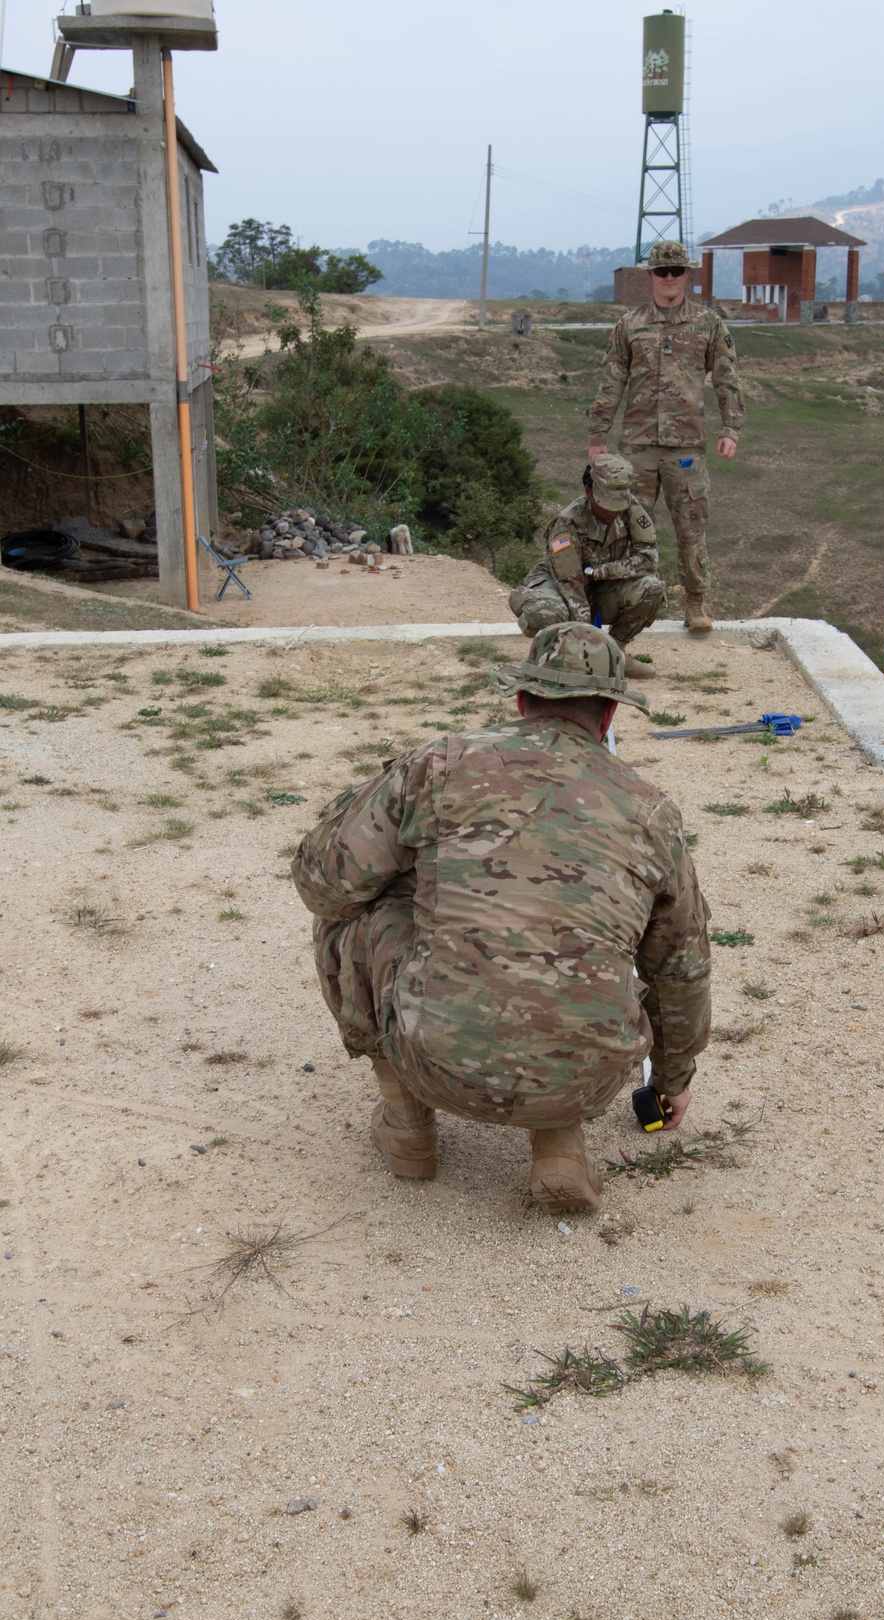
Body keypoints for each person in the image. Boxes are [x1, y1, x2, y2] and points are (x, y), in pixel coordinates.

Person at [290, 623, 711, 1217]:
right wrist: (671, 1081)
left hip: (435, 1065)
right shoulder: (652, 809)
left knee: (353, 914)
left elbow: (325, 883)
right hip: (589, 1084)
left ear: (520, 700)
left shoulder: (439, 765)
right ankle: (558, 1142)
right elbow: (681, 966)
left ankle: (407, 1121)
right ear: (610, 716)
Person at [586, 239, 745, 635]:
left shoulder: (709, 325)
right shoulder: (630, 325)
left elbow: (727, 379)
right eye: (662, 271)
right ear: (651, 275)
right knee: (628, 528)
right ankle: (627, 603)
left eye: (676, 271)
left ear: (687, 274)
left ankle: (695, 603)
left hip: (686, 450)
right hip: (637, 448)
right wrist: (597, 435)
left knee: (691, 527)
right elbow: (612, 382)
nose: (669, 278)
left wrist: (731, 428)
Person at [509, 452, 664, 680]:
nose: (613, 511)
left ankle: (615, 653)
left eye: (618, 503)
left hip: (600, 584)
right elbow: (571, 585)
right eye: (606, 503)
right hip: (561, 585)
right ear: (588, 490)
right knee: (546, 613)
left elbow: (648, 560)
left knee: (652, 588)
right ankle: (558, 656)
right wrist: (589, 646)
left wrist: (598, 572)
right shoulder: (567, 523)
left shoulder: (631, 510)